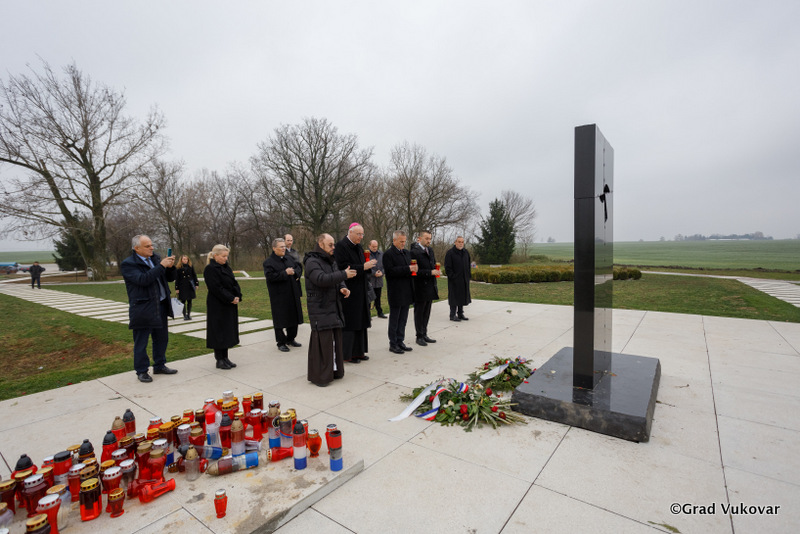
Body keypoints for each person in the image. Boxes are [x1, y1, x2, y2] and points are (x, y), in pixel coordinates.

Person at [120, 235, 178, 383]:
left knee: (161, 338)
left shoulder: (155, 259)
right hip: (143, 307)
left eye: (151, 245)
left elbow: (169, 278)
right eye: (147, 246)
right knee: (142, 341)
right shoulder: (129, 264)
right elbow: (143, 280)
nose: (151, 248)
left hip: (161, 305)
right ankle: (141, 371)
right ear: (136, 248)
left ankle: (159, 365)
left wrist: (170, 267)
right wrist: (161, 266)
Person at [304, 233, 356, 386]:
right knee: (323, 343)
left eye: (334, 244)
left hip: (333, 307)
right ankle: (321, 377)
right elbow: (321, 279)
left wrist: (342, 287)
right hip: (320, 307)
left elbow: (335, 278)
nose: (334, 247)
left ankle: (335, 371)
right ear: (321, 245)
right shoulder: (312, 262)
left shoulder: (331, 260)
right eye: (330, 245)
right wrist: (344, 274)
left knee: (335, 342)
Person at [334, 223, 377, 363]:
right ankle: (348, 354)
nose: (361, 237)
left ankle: (359, 352)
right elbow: (342, 267)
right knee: (351, 322)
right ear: (350, 232)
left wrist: (368, 267)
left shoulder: (359, 247)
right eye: (358, 234)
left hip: (361, 289)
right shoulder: (341, 246)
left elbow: (362, 266)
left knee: (361, 322)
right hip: (349, 290)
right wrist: (363, 266)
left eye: (362, 234)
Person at [204, 244, 242, 370]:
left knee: (227, 331)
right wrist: (230, 298)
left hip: (229, 304)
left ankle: (225, 357)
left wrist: (237, 295)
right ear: (215, 256)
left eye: (227, 256)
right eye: (223, 256)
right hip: (218, 305)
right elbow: (216, 288)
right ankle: (219, 359)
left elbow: (234, 283)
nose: (226, 258)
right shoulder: (210, 269)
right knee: (218, 331)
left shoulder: (226, 267)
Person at [263, 237, 304, 352]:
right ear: (274, 248)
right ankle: (281, 342)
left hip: (292, 293)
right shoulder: (268, 262)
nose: (284, 249)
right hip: (279, 296)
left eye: (284, 247)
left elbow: (298, 267)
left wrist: (295, 273)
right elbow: (270, 277)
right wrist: (285, 273)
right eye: (281, 247)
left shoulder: (289, 258)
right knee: (280, 319)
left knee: (293, 317)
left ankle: (291, 339)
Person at [382, 230, 418, 354]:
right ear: (394, 240)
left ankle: (400, 340)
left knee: (403, 319)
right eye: (401, 241)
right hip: (396, 291)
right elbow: (390, 272)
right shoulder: (388, 254)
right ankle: (393, 343)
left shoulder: (407, 253)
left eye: (404, 241)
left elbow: (410, 269)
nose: (403, 243)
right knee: (395, 319)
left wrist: (414, 269)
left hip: (407, 290)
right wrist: (408, 268)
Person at [410, 230, 441, 346]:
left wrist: (435, 271)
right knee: (419, 312)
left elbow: (432, 265)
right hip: (420, 287)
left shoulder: (430, 250)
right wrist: (430, 272)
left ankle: (424, 333)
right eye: (426, 238)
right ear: (419, 238)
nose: (429, 241)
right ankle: (419, 336)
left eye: (430, 239)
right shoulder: (414, 252)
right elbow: (414, 272)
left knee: (427, 312)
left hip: (430, 286)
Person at [444, 236, 472, 321]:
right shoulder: (450, 253)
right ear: (455, 242)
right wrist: (453, 276)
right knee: (454, 297)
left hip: (464, 279)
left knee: (462, 296)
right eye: (459, 242)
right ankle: (452, 315)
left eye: (462, 242)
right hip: (454, 280)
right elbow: (447, 267)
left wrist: (468, 275)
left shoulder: (465, 252)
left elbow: (468, 265)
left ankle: (460, 313)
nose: (461, 243)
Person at [175, 255, 199, 320]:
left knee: (189, 301)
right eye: (184, 259)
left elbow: (194, 275)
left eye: (186, 259)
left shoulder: (190, 266)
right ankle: (184, 315)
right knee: (183, 301)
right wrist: (177, 288)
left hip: (189, 285)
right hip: (182, 286)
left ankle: (188, 314)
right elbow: (177, 279)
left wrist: (196, 283)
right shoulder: (178, 268)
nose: (185, 260)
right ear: (181, 260)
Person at [367, 240, 386, 318]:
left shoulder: (381, 254)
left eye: (376, 246)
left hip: (379, 280)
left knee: (378, 298)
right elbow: (365, 267)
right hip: (370, 280)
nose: (375, 248)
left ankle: (379, 312)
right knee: (369, 298)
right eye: (373, 246)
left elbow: (385, 265)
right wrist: (374, 273)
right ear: (369, 246)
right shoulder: (366, 255)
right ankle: (368, 315)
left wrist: (382, 272)